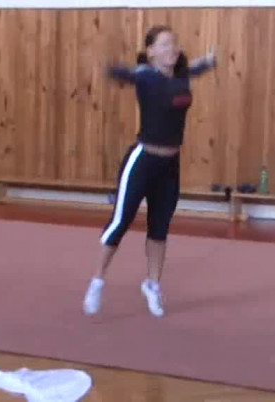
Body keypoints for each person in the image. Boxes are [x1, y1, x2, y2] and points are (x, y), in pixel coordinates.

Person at [83, 25, 217, 318]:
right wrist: (110, 68)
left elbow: (193, 69)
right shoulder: (145, 75)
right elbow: (129, 74)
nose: (172, 48)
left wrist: (208, 62)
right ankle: (97, 281)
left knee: (159, 229)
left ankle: (152, 285)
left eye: (174, 43)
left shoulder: (182, 75)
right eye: (165, 44)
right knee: (120, 223)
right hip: (142, 161)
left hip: (169, 166)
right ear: (151, 51)